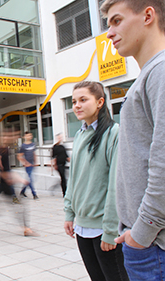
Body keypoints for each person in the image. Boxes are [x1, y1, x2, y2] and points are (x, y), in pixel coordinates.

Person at [101, 1, 165, 279]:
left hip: (153, 246)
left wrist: (142, 233)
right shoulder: (149, 76)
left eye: (117, 21)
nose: (109, 33)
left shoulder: (160, 72)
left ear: (148, 15)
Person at [64, 81, 128, 281]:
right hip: (82, 228)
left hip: (104, 229)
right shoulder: (80, 134)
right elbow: (73, 178)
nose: (77, 105)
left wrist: (110, 230)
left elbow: (116, 184)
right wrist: (69, 212)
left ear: (100, 102)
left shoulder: (114, 133)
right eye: (74, 101)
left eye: (83, 100)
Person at [0, 130, 39, 237]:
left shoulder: (6, 149)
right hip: (5, 182)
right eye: (7, 136)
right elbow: (2, 169)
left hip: (6, 181)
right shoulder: (2, 150)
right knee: (17, 207)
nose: (10, 138)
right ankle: (26, 229)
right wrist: (16, 179)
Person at [17, 132, 38, 199]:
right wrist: (25, 163)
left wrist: (35, 162)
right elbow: (19, 156)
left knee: (29, 179)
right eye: (27, 135)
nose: (29, 136)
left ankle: (22, 191)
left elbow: (34, 153)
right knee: (30, 179)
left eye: (30, 135)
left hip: (32, 164)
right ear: (25, 137)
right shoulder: (23, 146)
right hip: (27, 165)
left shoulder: (33, 144)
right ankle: (34, 194)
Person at [51, 133, 69, 197]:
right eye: (59, 138)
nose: (60, 139)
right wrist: (54, 165)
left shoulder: (63, 146)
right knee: (63, 178)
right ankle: (64, 192)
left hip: (64, 164)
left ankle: (57, 187)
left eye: (61, 137)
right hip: (59, 165)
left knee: (63, 178)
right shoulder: (55, 147)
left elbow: (66, 156)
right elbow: (53, 157)